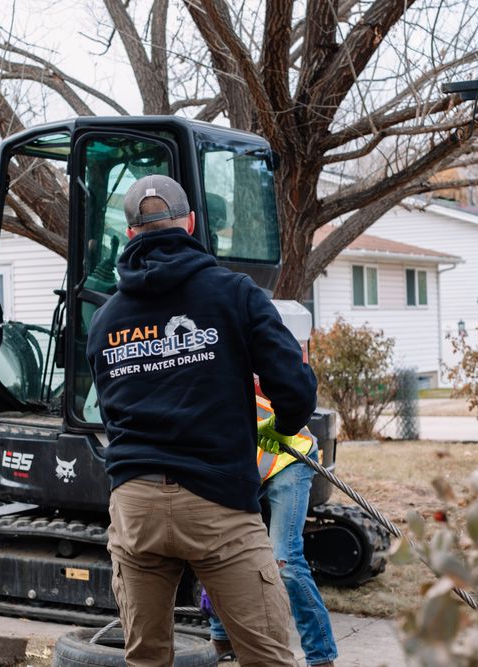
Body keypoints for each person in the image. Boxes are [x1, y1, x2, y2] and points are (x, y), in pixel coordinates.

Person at [86, 174, 318, 666]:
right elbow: (293, 385)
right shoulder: (233, 294)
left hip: (135, 508)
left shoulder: (105, 319)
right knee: (268, 657)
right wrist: (282, 427)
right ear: (190, 224)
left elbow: (111, 409)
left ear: (130, 235)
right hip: (217, 503)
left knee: (147, 659)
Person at [207, 394, 339, 667]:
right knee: (218, 552)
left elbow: (297, 391)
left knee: (285, 560)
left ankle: (321, 656)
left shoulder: (240, 356)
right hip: (241, 466)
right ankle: (221, 639)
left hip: (287, 455)